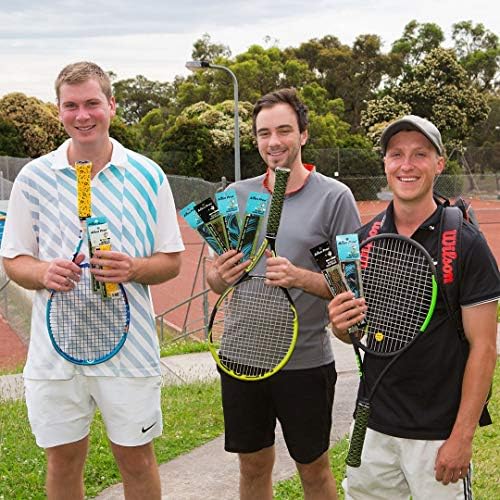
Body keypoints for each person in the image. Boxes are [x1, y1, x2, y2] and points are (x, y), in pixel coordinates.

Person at [0, 62, 184, 499]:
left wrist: (133, 269)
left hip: (130, 350)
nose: (82, 115)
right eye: (71, 105)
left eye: (92, 103)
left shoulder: (147, 175)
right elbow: (14, 259)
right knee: (63, 460)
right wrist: (42, 272)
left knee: (136, 460)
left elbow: (172, 260)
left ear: (111, 106)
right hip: (55, 354)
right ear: (59, 110)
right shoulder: (35, 177)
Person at [328, 115, 500, 499]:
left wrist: (462, 436)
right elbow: (354, 331)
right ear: (385, 164)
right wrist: (340, 325)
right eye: (396, 154)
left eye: (420, 154)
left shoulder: (467, 244)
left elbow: (485, 348)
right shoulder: (360, 241)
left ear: (439, 163)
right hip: (372, 426)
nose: (406, 165)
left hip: (438, 436)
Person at [207, 88, 361, 499]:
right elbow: (216, 282)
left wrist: (300, 277)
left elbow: (351, 285)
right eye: (263, 133)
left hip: (306, 361)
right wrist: (220, 274)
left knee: (313, 470)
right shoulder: (234, 197)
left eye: (284, 131)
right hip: (242, 358)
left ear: (304, 135)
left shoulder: (335, 198)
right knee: (253, 467)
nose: (273, 142)